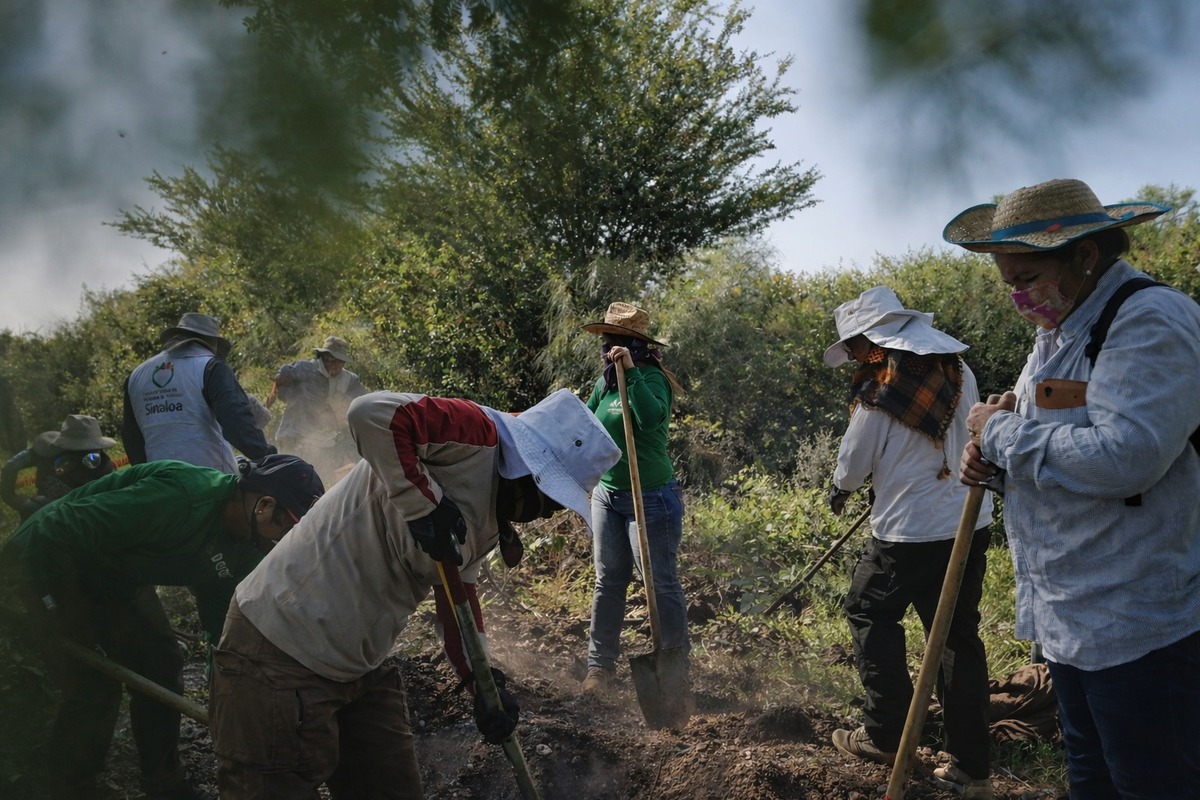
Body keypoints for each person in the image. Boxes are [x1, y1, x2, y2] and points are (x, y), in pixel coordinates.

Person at [209, 388, 620, 798]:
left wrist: (484, 686)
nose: (551, 512)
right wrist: (423, 506)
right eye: (552, 498)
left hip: (359, 664)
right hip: (278, 646)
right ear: (530, 471)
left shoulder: (492, 516)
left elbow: (457, 595)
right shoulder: (477, 433)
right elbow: (370, 413)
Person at [947, 178, 1200, 798]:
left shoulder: (1147, 319)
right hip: (1073, 621)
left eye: (1027, 276)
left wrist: (1000, 432)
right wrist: (996, 465)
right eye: (1007, 280)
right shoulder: (1058, 331)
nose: (1016, 295)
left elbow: (1126, 458)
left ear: (1084, 256)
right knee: (1093, 781)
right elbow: (1063, 452)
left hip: (1140, 621)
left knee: (1151, 783)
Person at [2, 454, 324, 800]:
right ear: (264, 505)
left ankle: (164, 784)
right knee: (94, 682)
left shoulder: (245, 549)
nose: (285, 542)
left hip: (117, 577)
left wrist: (234, 697)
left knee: (162, 663)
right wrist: (70, 618)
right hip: (45, 563)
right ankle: (71, 788)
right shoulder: (183, 498)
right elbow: (57, 528)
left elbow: (226, 633)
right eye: (288, 528)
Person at [824, 287, 996, 800]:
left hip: (907, 532)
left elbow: (854, 466)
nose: (853, 355)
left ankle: (884, 734)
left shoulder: (881, 385)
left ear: (873, 341)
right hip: (969, 520)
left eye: (854, 345)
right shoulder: (959, 370)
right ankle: (973, 770)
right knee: (955, 638)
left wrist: (840, 489)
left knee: (868, 611)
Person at [578, 302, 688, 695]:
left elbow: (650, 419)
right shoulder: (603, 383)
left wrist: (632, 374)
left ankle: (673, 668)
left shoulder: (652, 377)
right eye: (606, 340)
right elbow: (587, 426)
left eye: (615, 340)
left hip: (652, 496)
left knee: (659, 583)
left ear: (633, 344)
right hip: (608, 496)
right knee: (608, 581)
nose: (607, 346)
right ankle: (599, 669)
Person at [122, 312, 275, 473]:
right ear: (211, 342)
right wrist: (269, 459)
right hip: (212, 479)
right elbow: (237, 423)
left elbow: (132, 439)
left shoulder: (136, 376)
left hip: (159, 481)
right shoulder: (211, 367)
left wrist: (147, 476)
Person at [266, 334, 367, 480]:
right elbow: (282, 380)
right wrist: (290, 396)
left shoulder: (349, 379)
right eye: (331, 359)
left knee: (317, 483)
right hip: (294, 434)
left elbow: (361, 401)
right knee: (290, 480)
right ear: (323, 357)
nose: (335, 364)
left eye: (339, 361)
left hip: (325, 441)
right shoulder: (304, 368)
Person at [1, 414, 118, 521]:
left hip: (81, 517)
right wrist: (18, 502)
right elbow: (11, 466)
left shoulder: (103, 465)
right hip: (43, 511)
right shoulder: (46, 451)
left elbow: (110, 501)